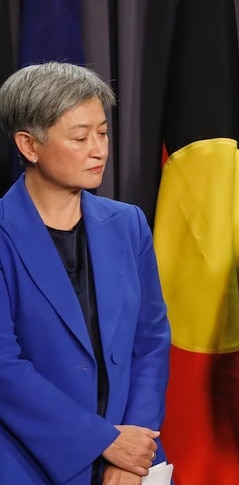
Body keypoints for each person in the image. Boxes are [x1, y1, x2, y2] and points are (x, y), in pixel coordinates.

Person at [0, 63, 171, 484]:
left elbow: (150, 342)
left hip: (131, 461)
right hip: (28, 461)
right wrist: (101, 442)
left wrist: (132, 452)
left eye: (103, 132)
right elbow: (4, 366)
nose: (99, 149)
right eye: (80, 137)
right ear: (29, 145)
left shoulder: (128, 224)